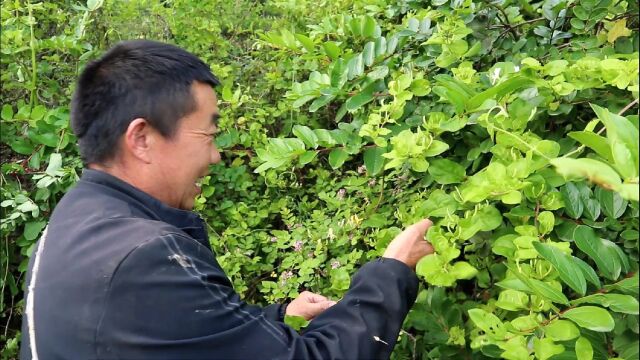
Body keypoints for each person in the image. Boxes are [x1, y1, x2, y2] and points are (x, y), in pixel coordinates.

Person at [20, 40, 434, 359]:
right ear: (141, 139)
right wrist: (392, 269)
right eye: (209, 134)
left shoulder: (74, 223)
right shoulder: (144, 258)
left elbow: (167, 336)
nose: (216, 155)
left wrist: (276, 316)